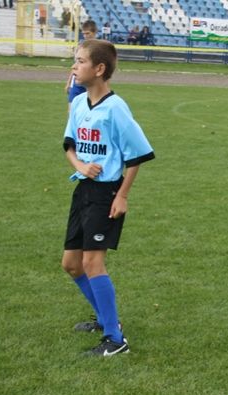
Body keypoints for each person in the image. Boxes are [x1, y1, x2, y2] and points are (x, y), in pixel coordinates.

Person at [61, 39, 155, 356]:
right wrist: (80, 166)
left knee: (92, 262)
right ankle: (105, 319)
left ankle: (115, 340)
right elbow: (69, 147)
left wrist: (122, 196)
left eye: (80, 61)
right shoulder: (78, 103)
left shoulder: (116, 108)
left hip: (107, 193)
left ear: (99, 69)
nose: (74, 66)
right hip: (83, 190)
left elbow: (137, 155)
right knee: (71, 264)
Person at [65, 20, 98, 113]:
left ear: (94, 32)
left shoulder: (99, 48)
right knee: (71, 111)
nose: (85, 36)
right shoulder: (80, 47)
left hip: (91, 83)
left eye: (88, 33)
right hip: (77, 83)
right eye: (84, 34)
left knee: (90, 111)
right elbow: (75, 66)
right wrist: (69, 82)